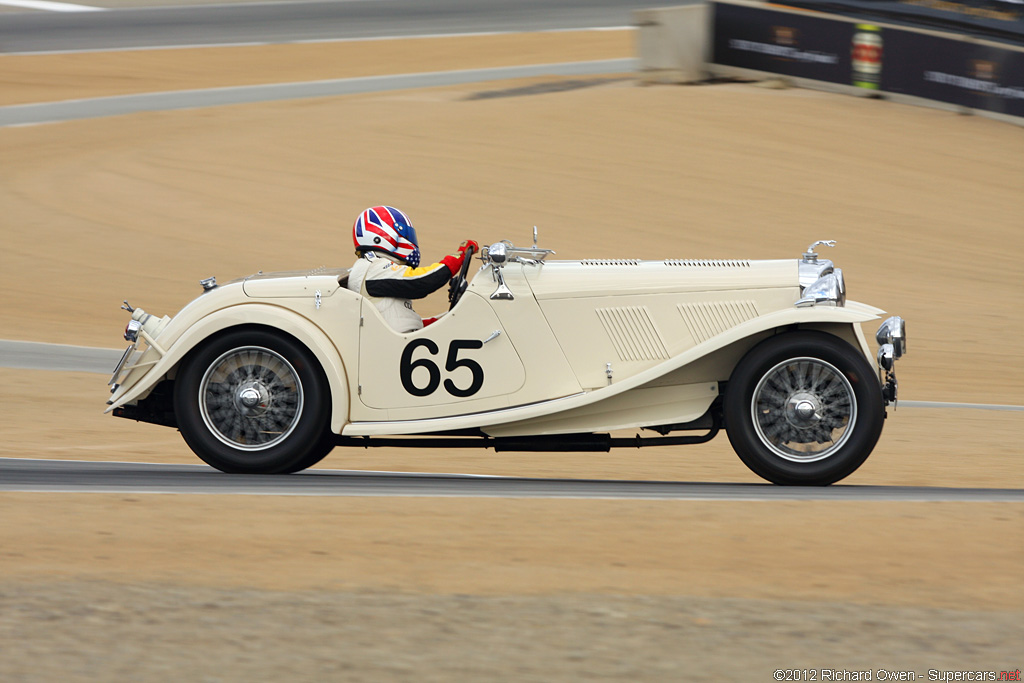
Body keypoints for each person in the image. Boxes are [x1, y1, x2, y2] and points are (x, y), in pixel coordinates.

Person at [346, 206, 478, 333]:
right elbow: (423, 281)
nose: (410, 240)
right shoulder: (373, 267)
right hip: (391, 349)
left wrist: (457, 312)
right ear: (381, 236)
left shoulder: (372, 268)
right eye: (404, 234)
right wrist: (459, 256)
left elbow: (414, 325)